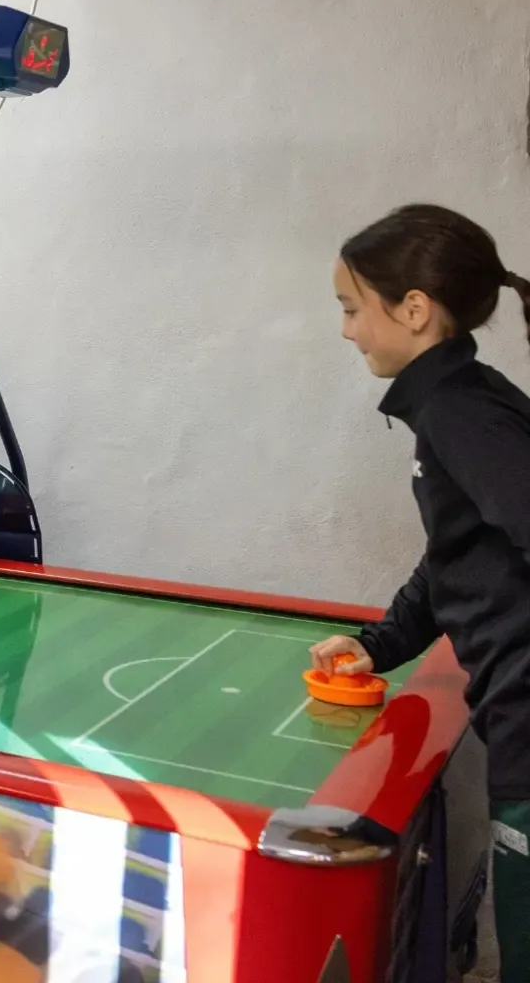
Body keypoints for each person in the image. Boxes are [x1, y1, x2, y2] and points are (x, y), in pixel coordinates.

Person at [309, 204, 530, 981]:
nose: (346, 331)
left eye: (351, 308)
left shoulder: (461, 412)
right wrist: (378, 644)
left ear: (413, 309)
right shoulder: (457, 404)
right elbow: (457, 556)